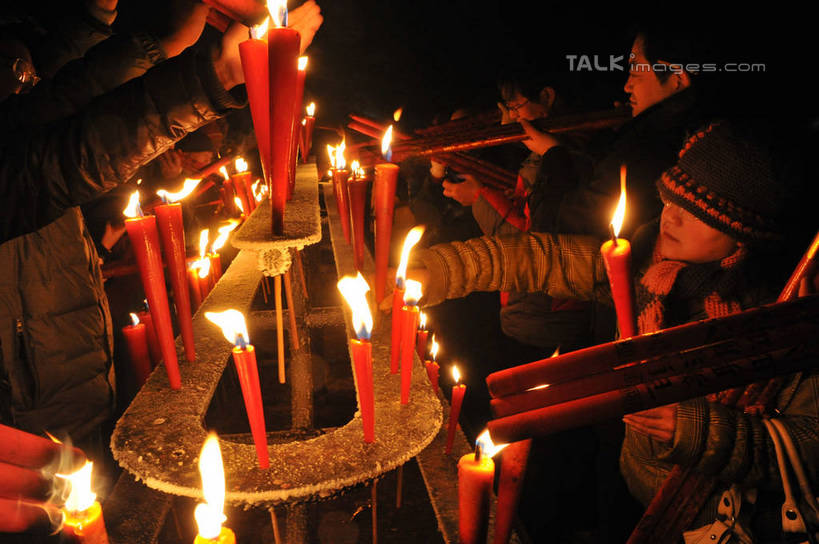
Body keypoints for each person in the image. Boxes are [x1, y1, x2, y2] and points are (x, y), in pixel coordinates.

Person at [407, 122, 817, 541]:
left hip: (714, 520)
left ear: (745, 235)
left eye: (700, 213)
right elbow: (542, 259)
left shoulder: (785, 318)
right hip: (632, 487)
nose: (671, 217)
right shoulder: (644, 267)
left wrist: (701, 430)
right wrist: (439, 271)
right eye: (672, 199)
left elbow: (812, 446)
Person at [0, 0, 322, 476]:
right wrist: (211, 76)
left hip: (70, 363)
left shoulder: (31, 67)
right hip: (22, 407)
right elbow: (48, 166)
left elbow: (56, 103)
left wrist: (157, 45)